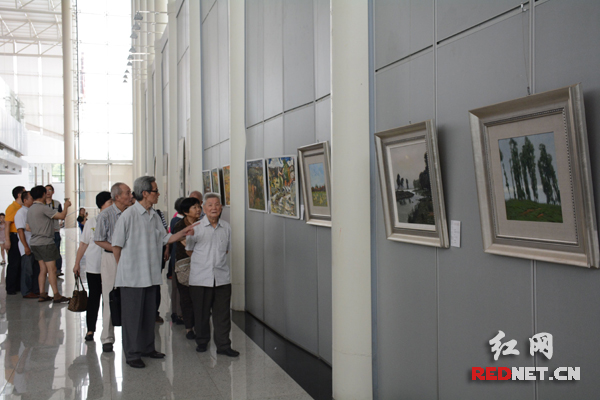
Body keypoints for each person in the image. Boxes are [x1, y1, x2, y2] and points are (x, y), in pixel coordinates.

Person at [111, 176, 198, 368]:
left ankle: (148, 348)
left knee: (149, 315)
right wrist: (123, 269)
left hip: (150, 275)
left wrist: (184, 232)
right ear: (145, 194)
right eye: (155, 191)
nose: (158, 194)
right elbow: (116, 246)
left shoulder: (154, 215)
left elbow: (165, 238)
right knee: (132, 319)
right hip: (132, 278)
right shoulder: (128, 215)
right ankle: (133, 354)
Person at [186, 193, 239, 357]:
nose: (214, 208)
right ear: (204, 208)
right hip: (201, 278)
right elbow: (189, 250)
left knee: (222, 314)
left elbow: (227, 249)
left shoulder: (227, 227)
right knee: (201, 313)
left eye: (217, 204)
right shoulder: (195, 228)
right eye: (210, 205)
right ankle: (202, 342)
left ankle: (223, 345)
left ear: (221, 207)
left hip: (222, 278)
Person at [94, 182, 133, 353]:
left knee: (131, 296)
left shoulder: (133, 213)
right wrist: (117, 248)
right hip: (111, 258)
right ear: (117, 197)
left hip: (132, 258)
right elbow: (98, 239)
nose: (131, 196)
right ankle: (107, 338)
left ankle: (131, 334)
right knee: (110, 296)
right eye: (127, 193)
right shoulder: (106, 215)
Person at [73, 192, 113, 342]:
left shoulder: (115, 220)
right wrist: (77, 263)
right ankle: (90, 329)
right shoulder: (91, 222)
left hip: (110, 267)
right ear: (102, 205)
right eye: (110, 202)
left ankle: (107, 331)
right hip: (93, 267)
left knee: (108, 300)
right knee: (94, 298)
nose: (112, 205)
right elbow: (83, 244)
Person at [27, 185, 71, 303]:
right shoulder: (43, 208)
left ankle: (42, 294)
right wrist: (66, 206)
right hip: (45, 242)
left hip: (35, 242)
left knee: (42, 269)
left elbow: (27, 227)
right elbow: (61, 216)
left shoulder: (30, 209)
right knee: (52, 269)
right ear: (42, 195)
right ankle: (56, 295)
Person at [173, 197, 202, 339]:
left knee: (199, 296)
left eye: (199, 207)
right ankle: (189, 328)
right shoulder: (180, 226)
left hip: (202, 264)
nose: (198, 210)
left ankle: (199, 325)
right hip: (184, 264)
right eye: (194, 207)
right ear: (185, 211)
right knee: (186, 297)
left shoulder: (203, 224)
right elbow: (187, 245)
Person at [14, 191, 40, 298]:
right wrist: (25, 247)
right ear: (25, 200)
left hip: (35, 245)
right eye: (31, 198)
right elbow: (20, 231)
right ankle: (26, 291)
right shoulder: (21, 213)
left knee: (36, 269)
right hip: (27, 245)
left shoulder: (31, 211)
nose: (33, 200)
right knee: (27, 270)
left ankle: (35, 289)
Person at [4, 186, 25, 295]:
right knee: (14, 263)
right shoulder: (12, 208)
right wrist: (7, 240)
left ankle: (18, 286)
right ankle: (11, 288)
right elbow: (7, 224)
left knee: (20, 263)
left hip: (21, 237)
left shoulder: (22, 207)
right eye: (25, 192)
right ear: (19, 195)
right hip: (14, 236)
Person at [168, 197, 185, 323]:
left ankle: (175, 311)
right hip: (180, 258)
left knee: (175, 288)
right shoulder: (180, 223)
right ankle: (179, 313)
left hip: (175, 257)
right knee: (179, 287)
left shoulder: (174, 220)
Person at [44, 185, 63, 277]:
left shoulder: (57, 203)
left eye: (50, 190)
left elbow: (61, 215)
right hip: (44, 232)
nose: (48, 192)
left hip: (55, 231)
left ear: (53, 191)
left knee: (56, 251)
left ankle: (58, 269)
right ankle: (47, 270)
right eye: (46, 190)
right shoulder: (41, 204)